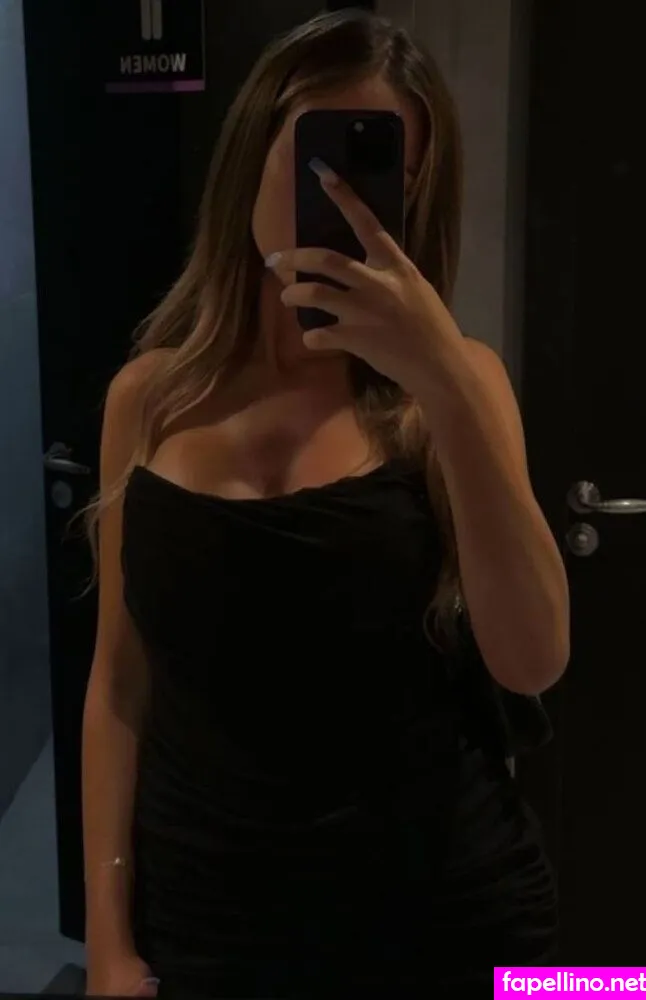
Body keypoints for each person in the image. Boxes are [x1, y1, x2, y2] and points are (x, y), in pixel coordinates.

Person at [82, 10, 569, 998]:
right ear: (251, 156)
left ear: (413, 193)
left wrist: (444, 379)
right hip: (208, 925)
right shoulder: (149, 398)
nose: (337, 196)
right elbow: (120, 684)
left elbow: (532, 661)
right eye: (312, 158)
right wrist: (105, 937)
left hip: (446, 922)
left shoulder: (457, 390)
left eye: (376, 168)